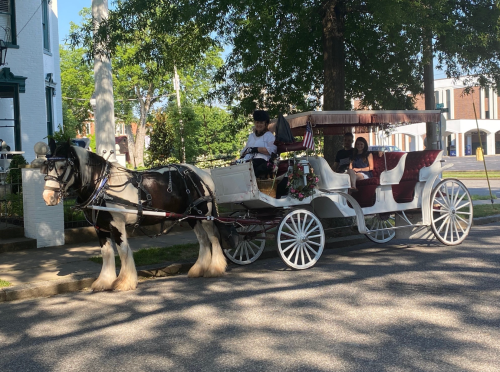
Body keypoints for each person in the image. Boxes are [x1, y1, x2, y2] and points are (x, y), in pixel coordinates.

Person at [240, 110, 277, 178]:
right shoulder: (251, 136)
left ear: (265, 124)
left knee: (251, 165)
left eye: (261, 123)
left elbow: (273, 150)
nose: (258, 125)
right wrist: (243, 153)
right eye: (257, 122)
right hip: (248, 161)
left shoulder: (269, 136)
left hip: (262, 162)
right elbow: (245, 149)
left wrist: (257, 149)